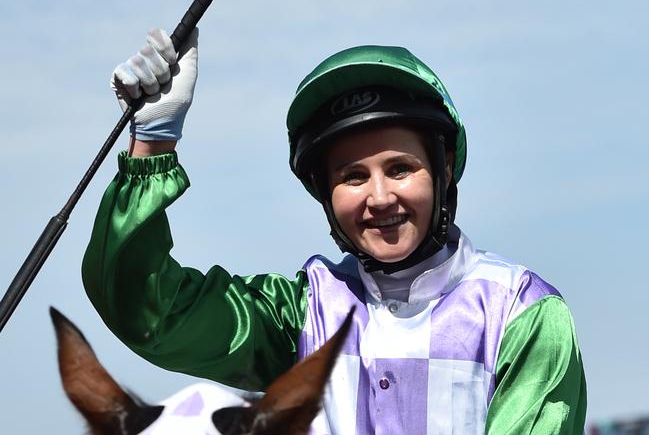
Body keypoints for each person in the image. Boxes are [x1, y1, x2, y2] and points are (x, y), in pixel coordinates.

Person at [82, 27, 587, 434]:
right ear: (324, 193)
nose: (380, 197)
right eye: (352, 177)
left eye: (400, 168)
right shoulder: (298, 313)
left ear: (444, 170)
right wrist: (153, 143)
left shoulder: (524, 313)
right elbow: (148, 313)